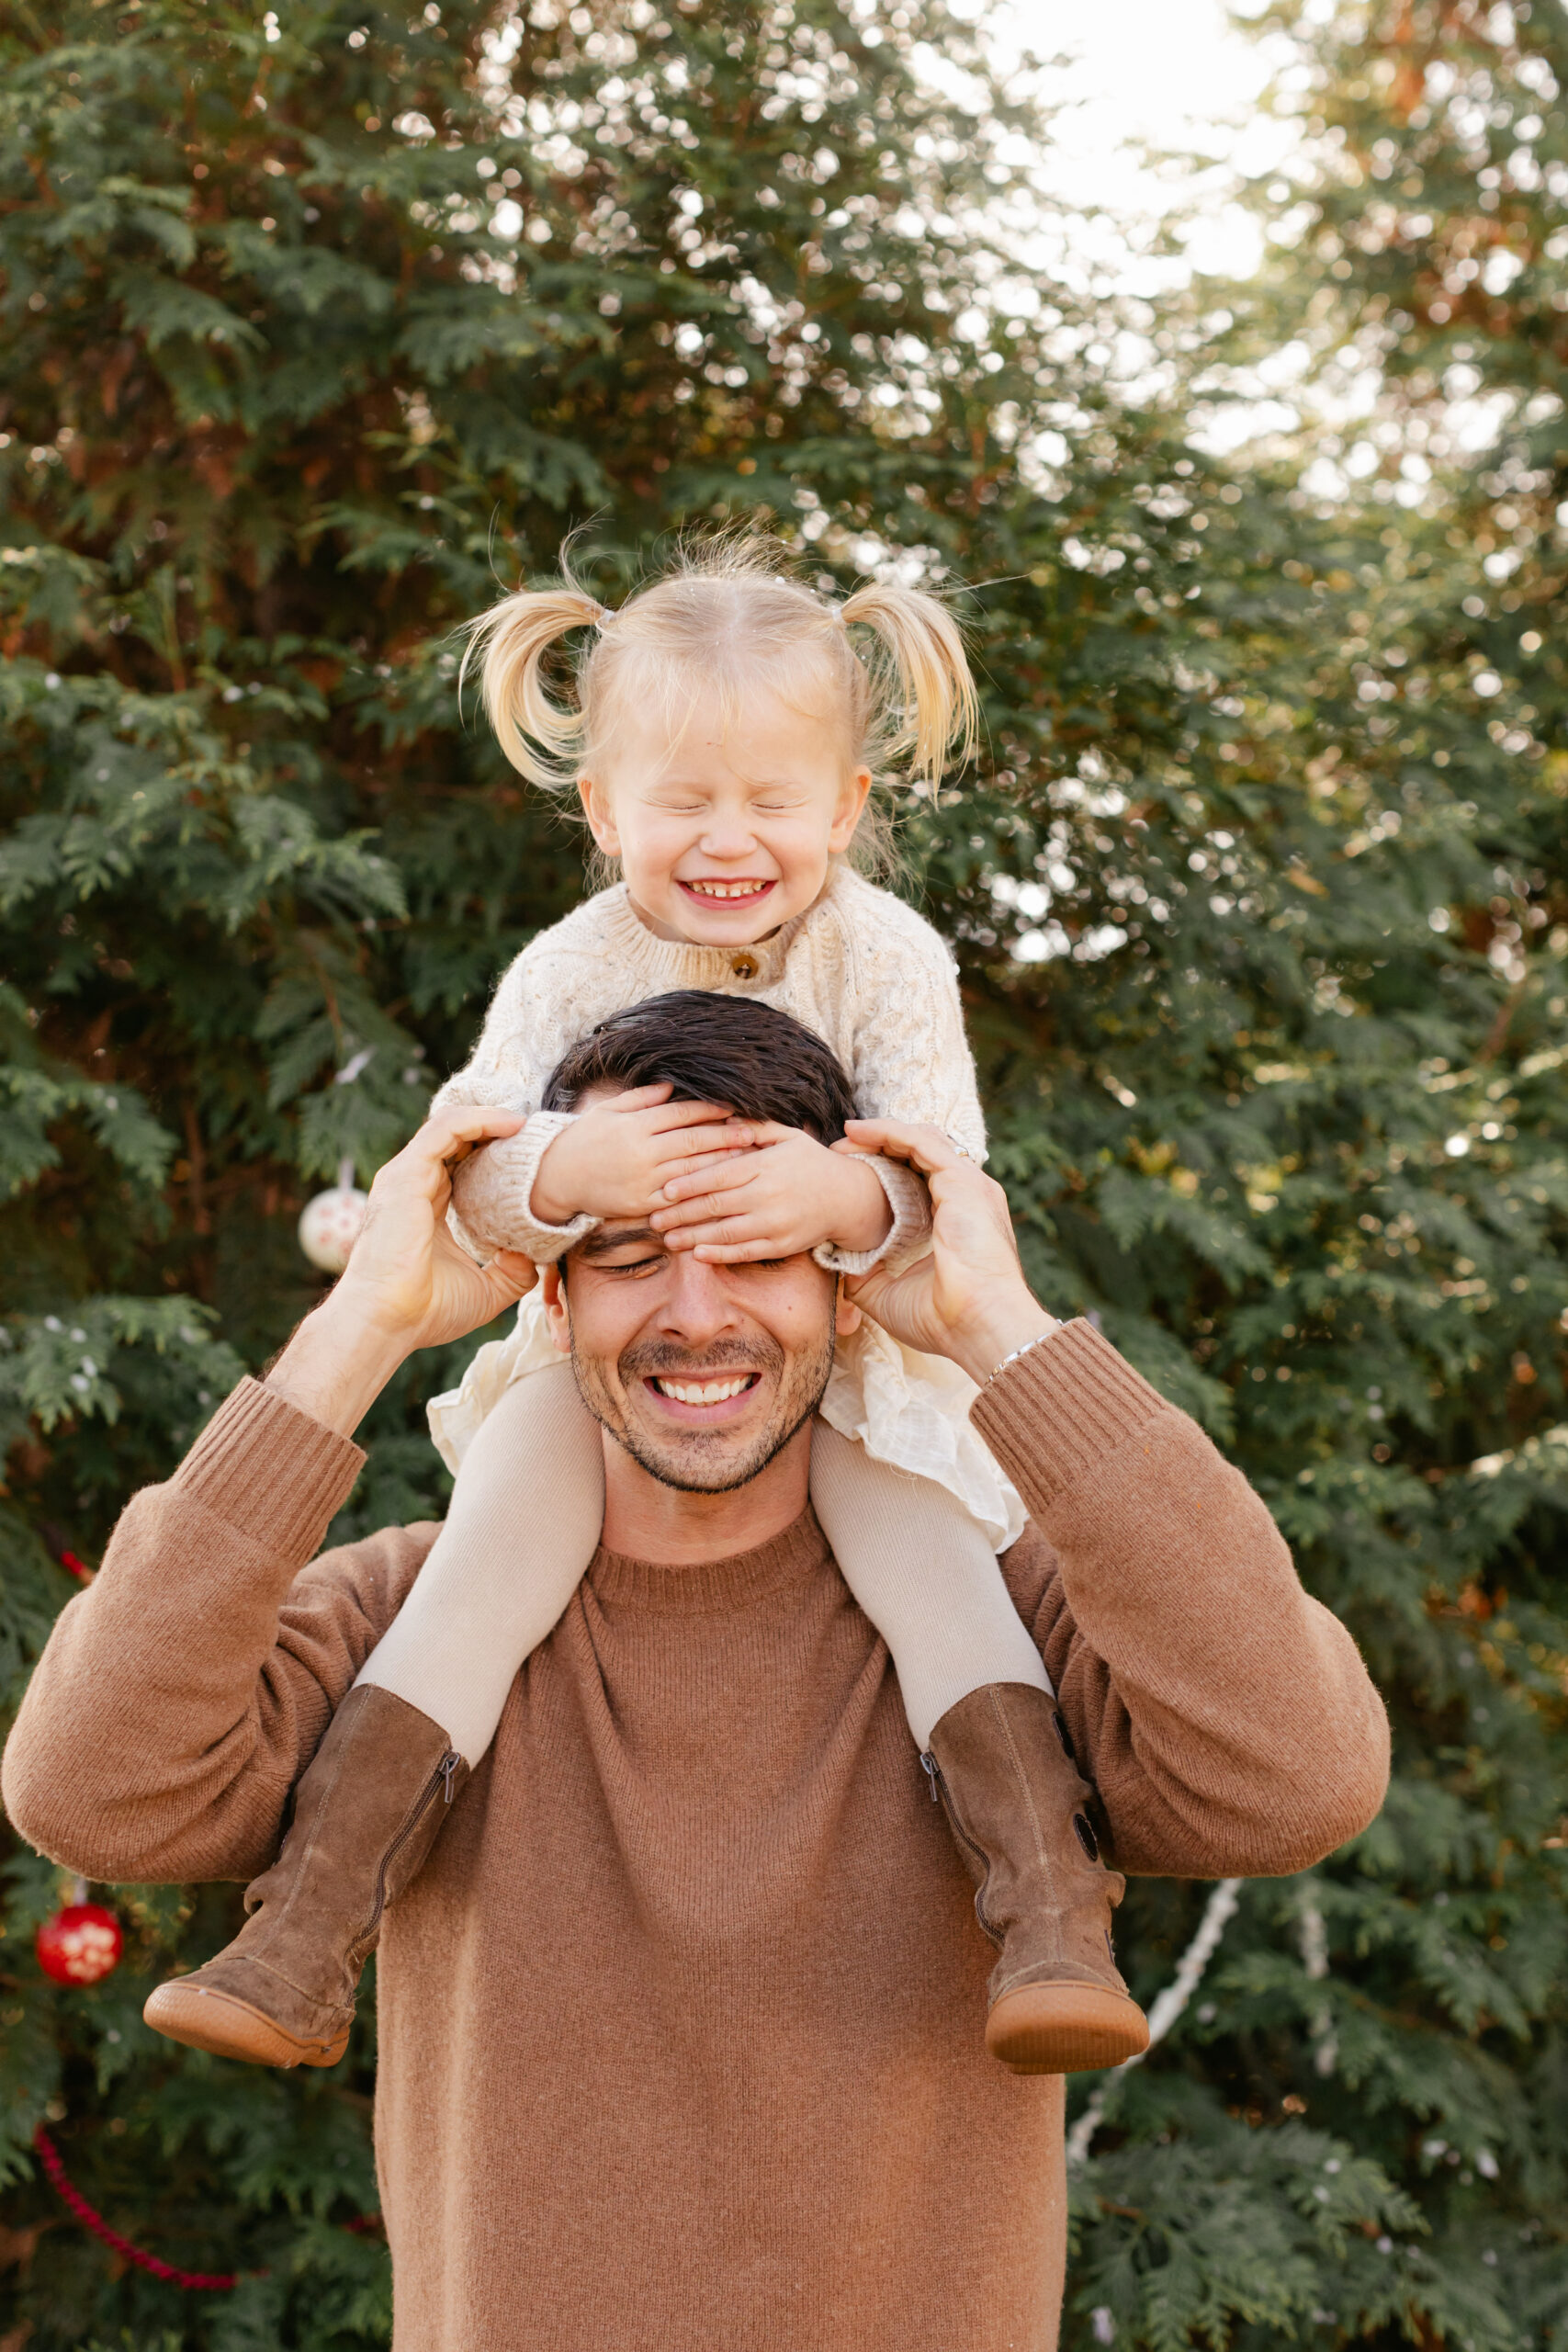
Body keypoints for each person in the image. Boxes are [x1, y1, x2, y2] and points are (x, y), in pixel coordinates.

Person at [3, 993, 1390, 2352]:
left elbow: (1293, 1780)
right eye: (630, 1255)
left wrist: (993, 1327)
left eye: (760, 1252)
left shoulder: (1000, 1623)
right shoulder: (409, 1619)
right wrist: (362, 1326)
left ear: (848, 1294)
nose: (694, 1312)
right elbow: (95, 1792)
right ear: (551, 1290)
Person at [127, 532, 1154, 2079]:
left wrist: (842, 1199)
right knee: (479, 1574)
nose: (727, 838)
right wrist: (563, 1165)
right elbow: (463, 1171)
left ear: (846, 809)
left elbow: (947, 1174)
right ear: (605, 809)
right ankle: (300, 1937)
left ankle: (1055, 1924)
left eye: (772, 800)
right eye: (681, 799)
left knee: (940, 1577)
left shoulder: (888, 959)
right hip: (592, 1368)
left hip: (850, 1369)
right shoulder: (569, 967)